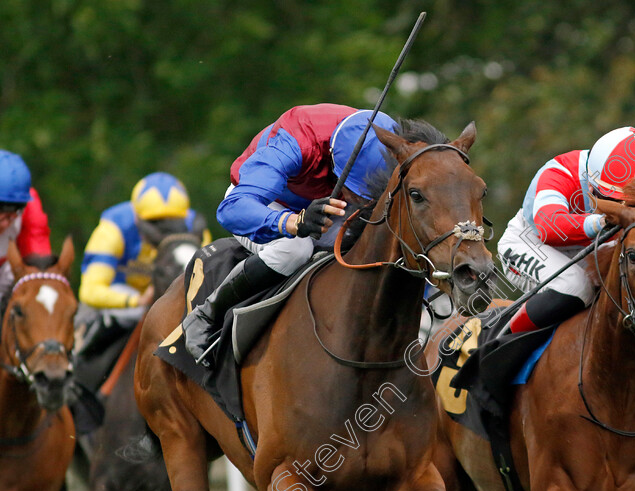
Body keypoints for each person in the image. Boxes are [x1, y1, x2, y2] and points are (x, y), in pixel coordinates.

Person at [183, 104, 399, 365]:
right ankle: (207, 315)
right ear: (334, 159)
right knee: (296, 249)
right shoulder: (294, 142)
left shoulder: (384, 136)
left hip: (325, 205)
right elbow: (231, 210)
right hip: (267, 205)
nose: (360, 199)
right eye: (355, 190)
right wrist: (294, 222)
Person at [497, 126, 635, 334]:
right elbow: (549, 228)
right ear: (591, 185)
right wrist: (602, 222)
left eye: (633, 206)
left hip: (595, 252)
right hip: (534, 243)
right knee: (575, 285)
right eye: (612, 202)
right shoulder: (560, 171)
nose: (622, 210)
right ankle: (501, 344)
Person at [77, 172, 211, 353]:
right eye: (154, 223)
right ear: (136, 217)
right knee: (125, 317)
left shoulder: (194, 228)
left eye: (173, 222)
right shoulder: (114, 227)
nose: (163, 230)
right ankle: (79, 374)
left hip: (169, 301)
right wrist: (136, 300)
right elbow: (90, 291)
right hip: (124, 301)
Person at [0, 150, 52, 306]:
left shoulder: (30, 207)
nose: (5, 224)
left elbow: (38, 264)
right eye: (1, 210)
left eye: (14, 212)